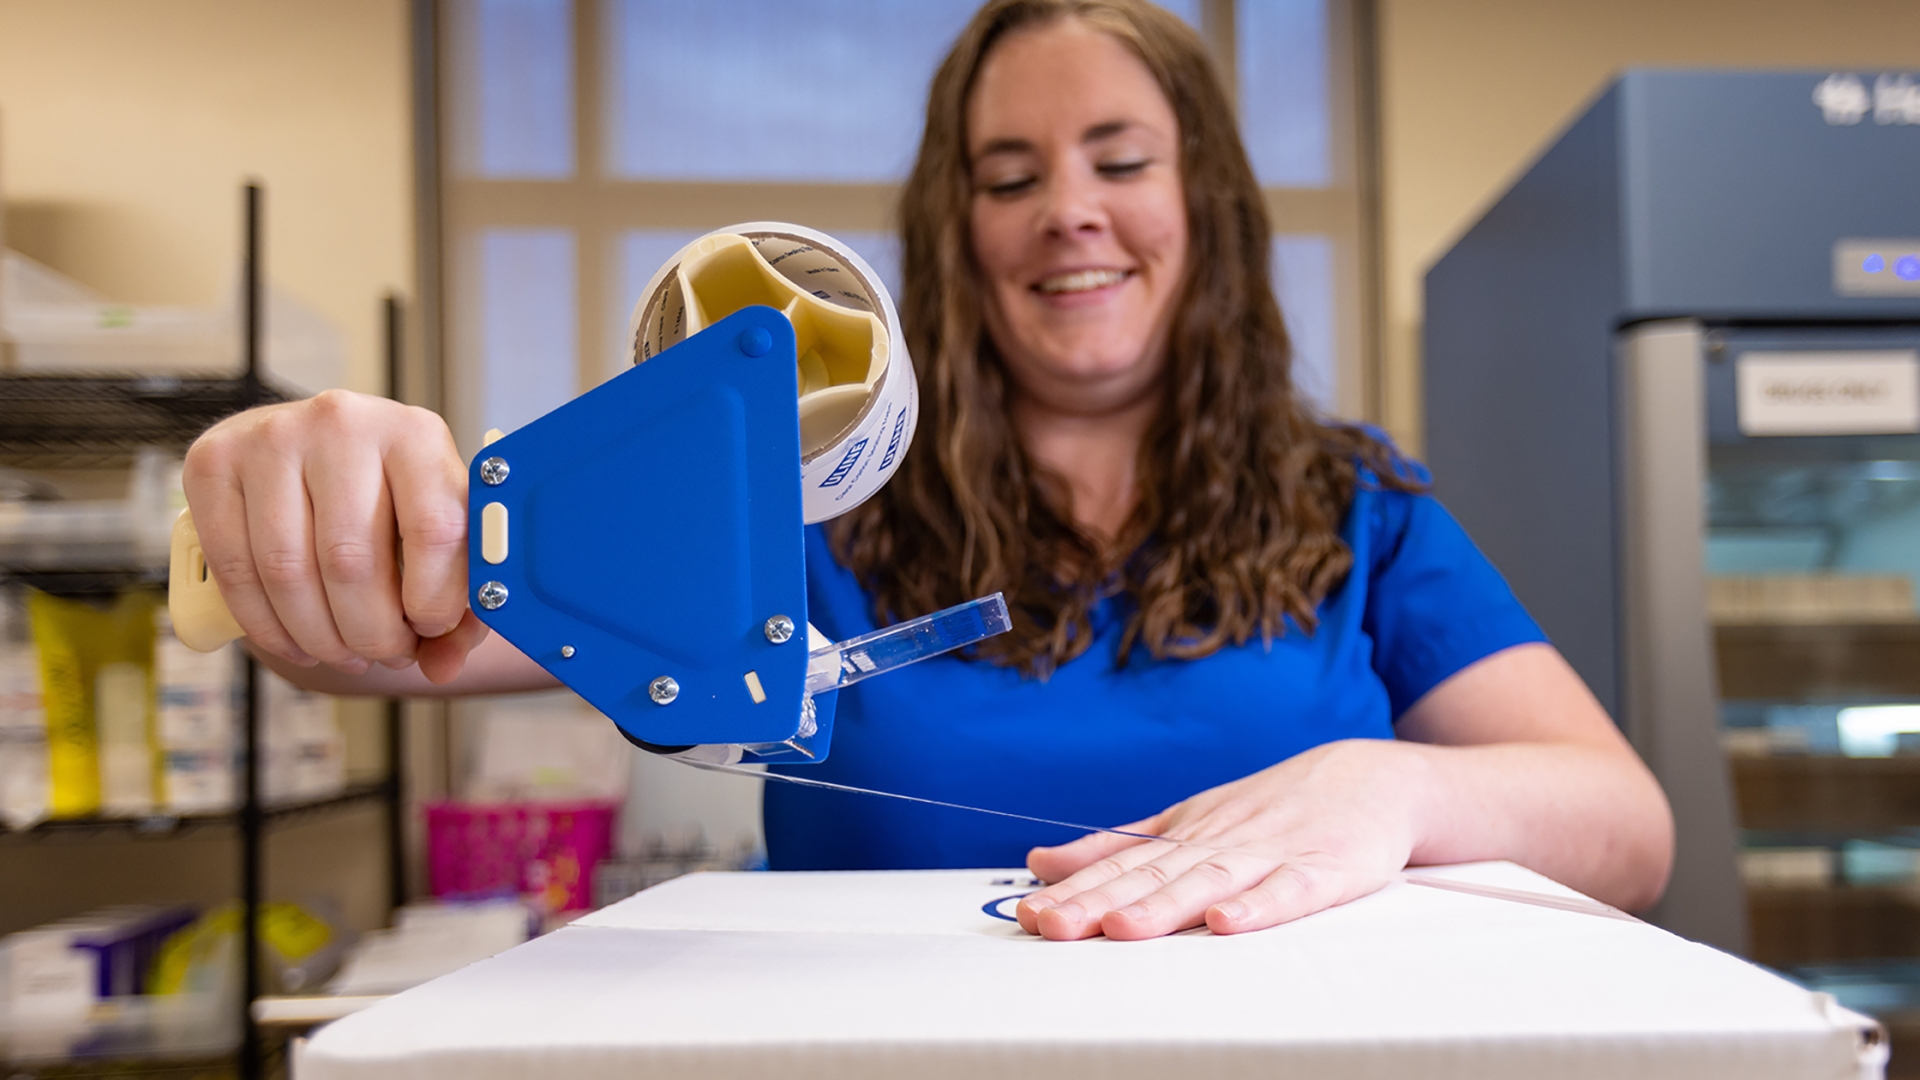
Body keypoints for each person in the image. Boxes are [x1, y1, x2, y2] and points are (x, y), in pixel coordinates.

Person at [180, 0, 1673, 942]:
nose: (1068, 214)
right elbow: (396, 648)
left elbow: (1627, 831)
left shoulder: (1359, 504)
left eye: (1120, 160)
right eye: (1009, 177)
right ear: (950, 237)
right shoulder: (804, 495)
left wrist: (1387, 788)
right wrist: (311, 500)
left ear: (1204, 202)